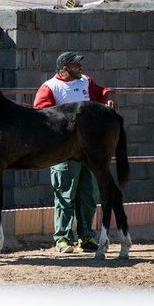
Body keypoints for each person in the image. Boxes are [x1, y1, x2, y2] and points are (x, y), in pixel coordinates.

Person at [33, 52, 119, 254]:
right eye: (75, 65)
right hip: (63, 151)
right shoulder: (49, 88)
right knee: (64, 194)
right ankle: (62, 238)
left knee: (89, 194)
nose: (80, 67)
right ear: (64, 69)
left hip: (88, 150)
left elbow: (102, 91)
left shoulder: (86, 82)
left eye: (80, 64)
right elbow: (40, 116)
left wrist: (110, 95)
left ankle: (86, 236)